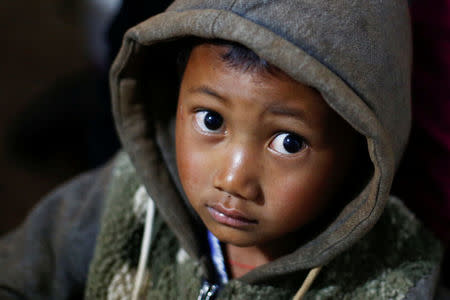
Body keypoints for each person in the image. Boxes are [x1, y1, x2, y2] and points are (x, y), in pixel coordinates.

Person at [0, 1, 445, 299]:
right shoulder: (126, 197)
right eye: (211, 120)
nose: (233, 179)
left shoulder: (399, 279)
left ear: (362, 148)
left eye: (288, 142)